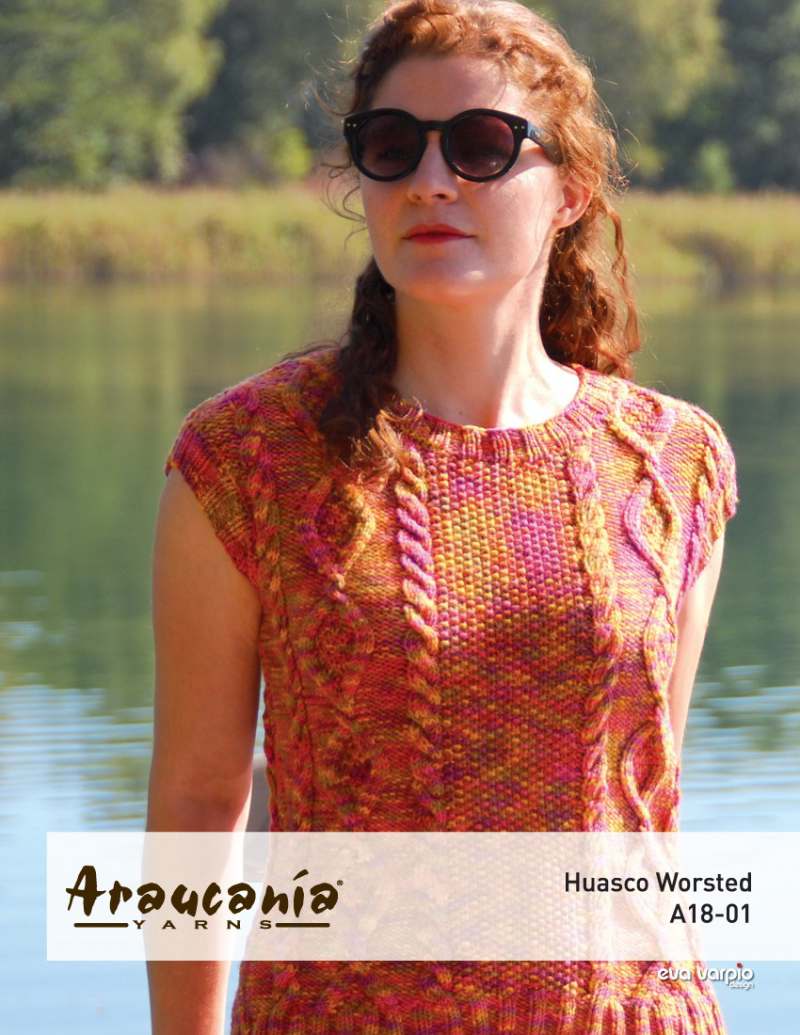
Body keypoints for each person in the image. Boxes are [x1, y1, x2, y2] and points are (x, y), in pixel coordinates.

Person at [147, 0, 739, 1032]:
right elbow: (198, 803)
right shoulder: (246, 458)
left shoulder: (671, 464)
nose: (430, 180)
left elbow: (648, 799)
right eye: (392, 145)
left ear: (570, 190)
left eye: (480, 145)